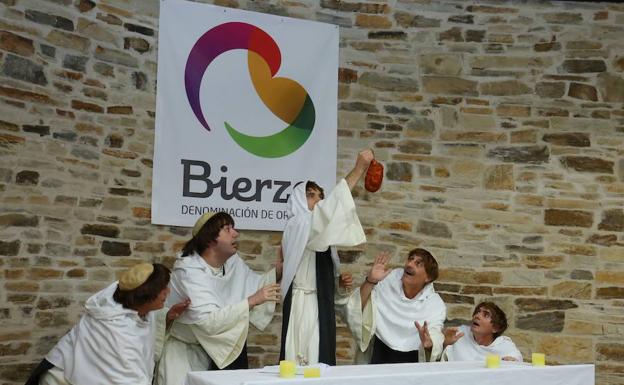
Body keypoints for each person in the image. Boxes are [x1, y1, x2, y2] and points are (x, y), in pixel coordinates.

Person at [156, 211, 281, 385]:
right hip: (185, 355)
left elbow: (255, 285)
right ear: (209, 239)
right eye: (228, 229)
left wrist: (279, 272)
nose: (235, 233)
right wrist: (251, 301)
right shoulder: (188, 271)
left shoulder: (232, 262)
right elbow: (208, 321)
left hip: (218, 352)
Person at [279, 149, 374, 366]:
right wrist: (359, 169)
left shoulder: (320, 237)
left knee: (320, 360)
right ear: (297, 200)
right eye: (311, 195)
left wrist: (336, 282)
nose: (319, 200)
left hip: (320, 303)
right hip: (303, 305)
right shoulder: (297, 224)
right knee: (304, 360)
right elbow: (328, 212)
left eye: (320, 196)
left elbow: (314, 268)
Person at [25, 263, 189, 385]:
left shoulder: (132, 303)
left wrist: (167, 316)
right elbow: (124, 379)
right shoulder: (115, 331)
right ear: (147, 297)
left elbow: (145, 321)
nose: (168, 292)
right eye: (163, 289)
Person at [342, 248, 447, 364]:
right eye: (410, 259)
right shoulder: (387, 281)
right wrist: (370, 281)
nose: (410, 264)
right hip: (378, 353)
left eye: (418, 264)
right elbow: (355, 309)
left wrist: (429, 345)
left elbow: (435, 333)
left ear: (428, 278)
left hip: (411, 361)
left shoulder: (435, 304)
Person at [437, 302, 522, 362]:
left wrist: (513, 361)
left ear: (496, 328)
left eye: (486, 315)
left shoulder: (504, 345)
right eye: (477, 312)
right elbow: (437, 362)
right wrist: (444, 344)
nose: (477, 316)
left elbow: (516, 362)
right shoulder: (458, 334)